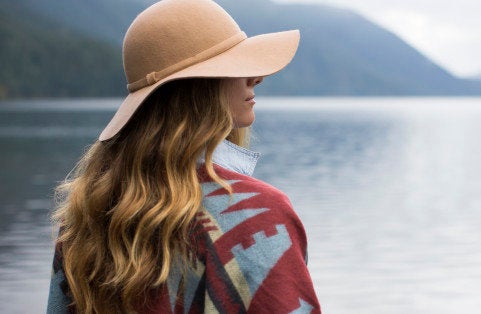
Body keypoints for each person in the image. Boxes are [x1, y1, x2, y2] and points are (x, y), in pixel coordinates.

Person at [46, 0, 320, 313]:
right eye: (236, 66)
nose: (255, 78)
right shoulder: (258, 213)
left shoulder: (87, 214)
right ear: (200, 87)